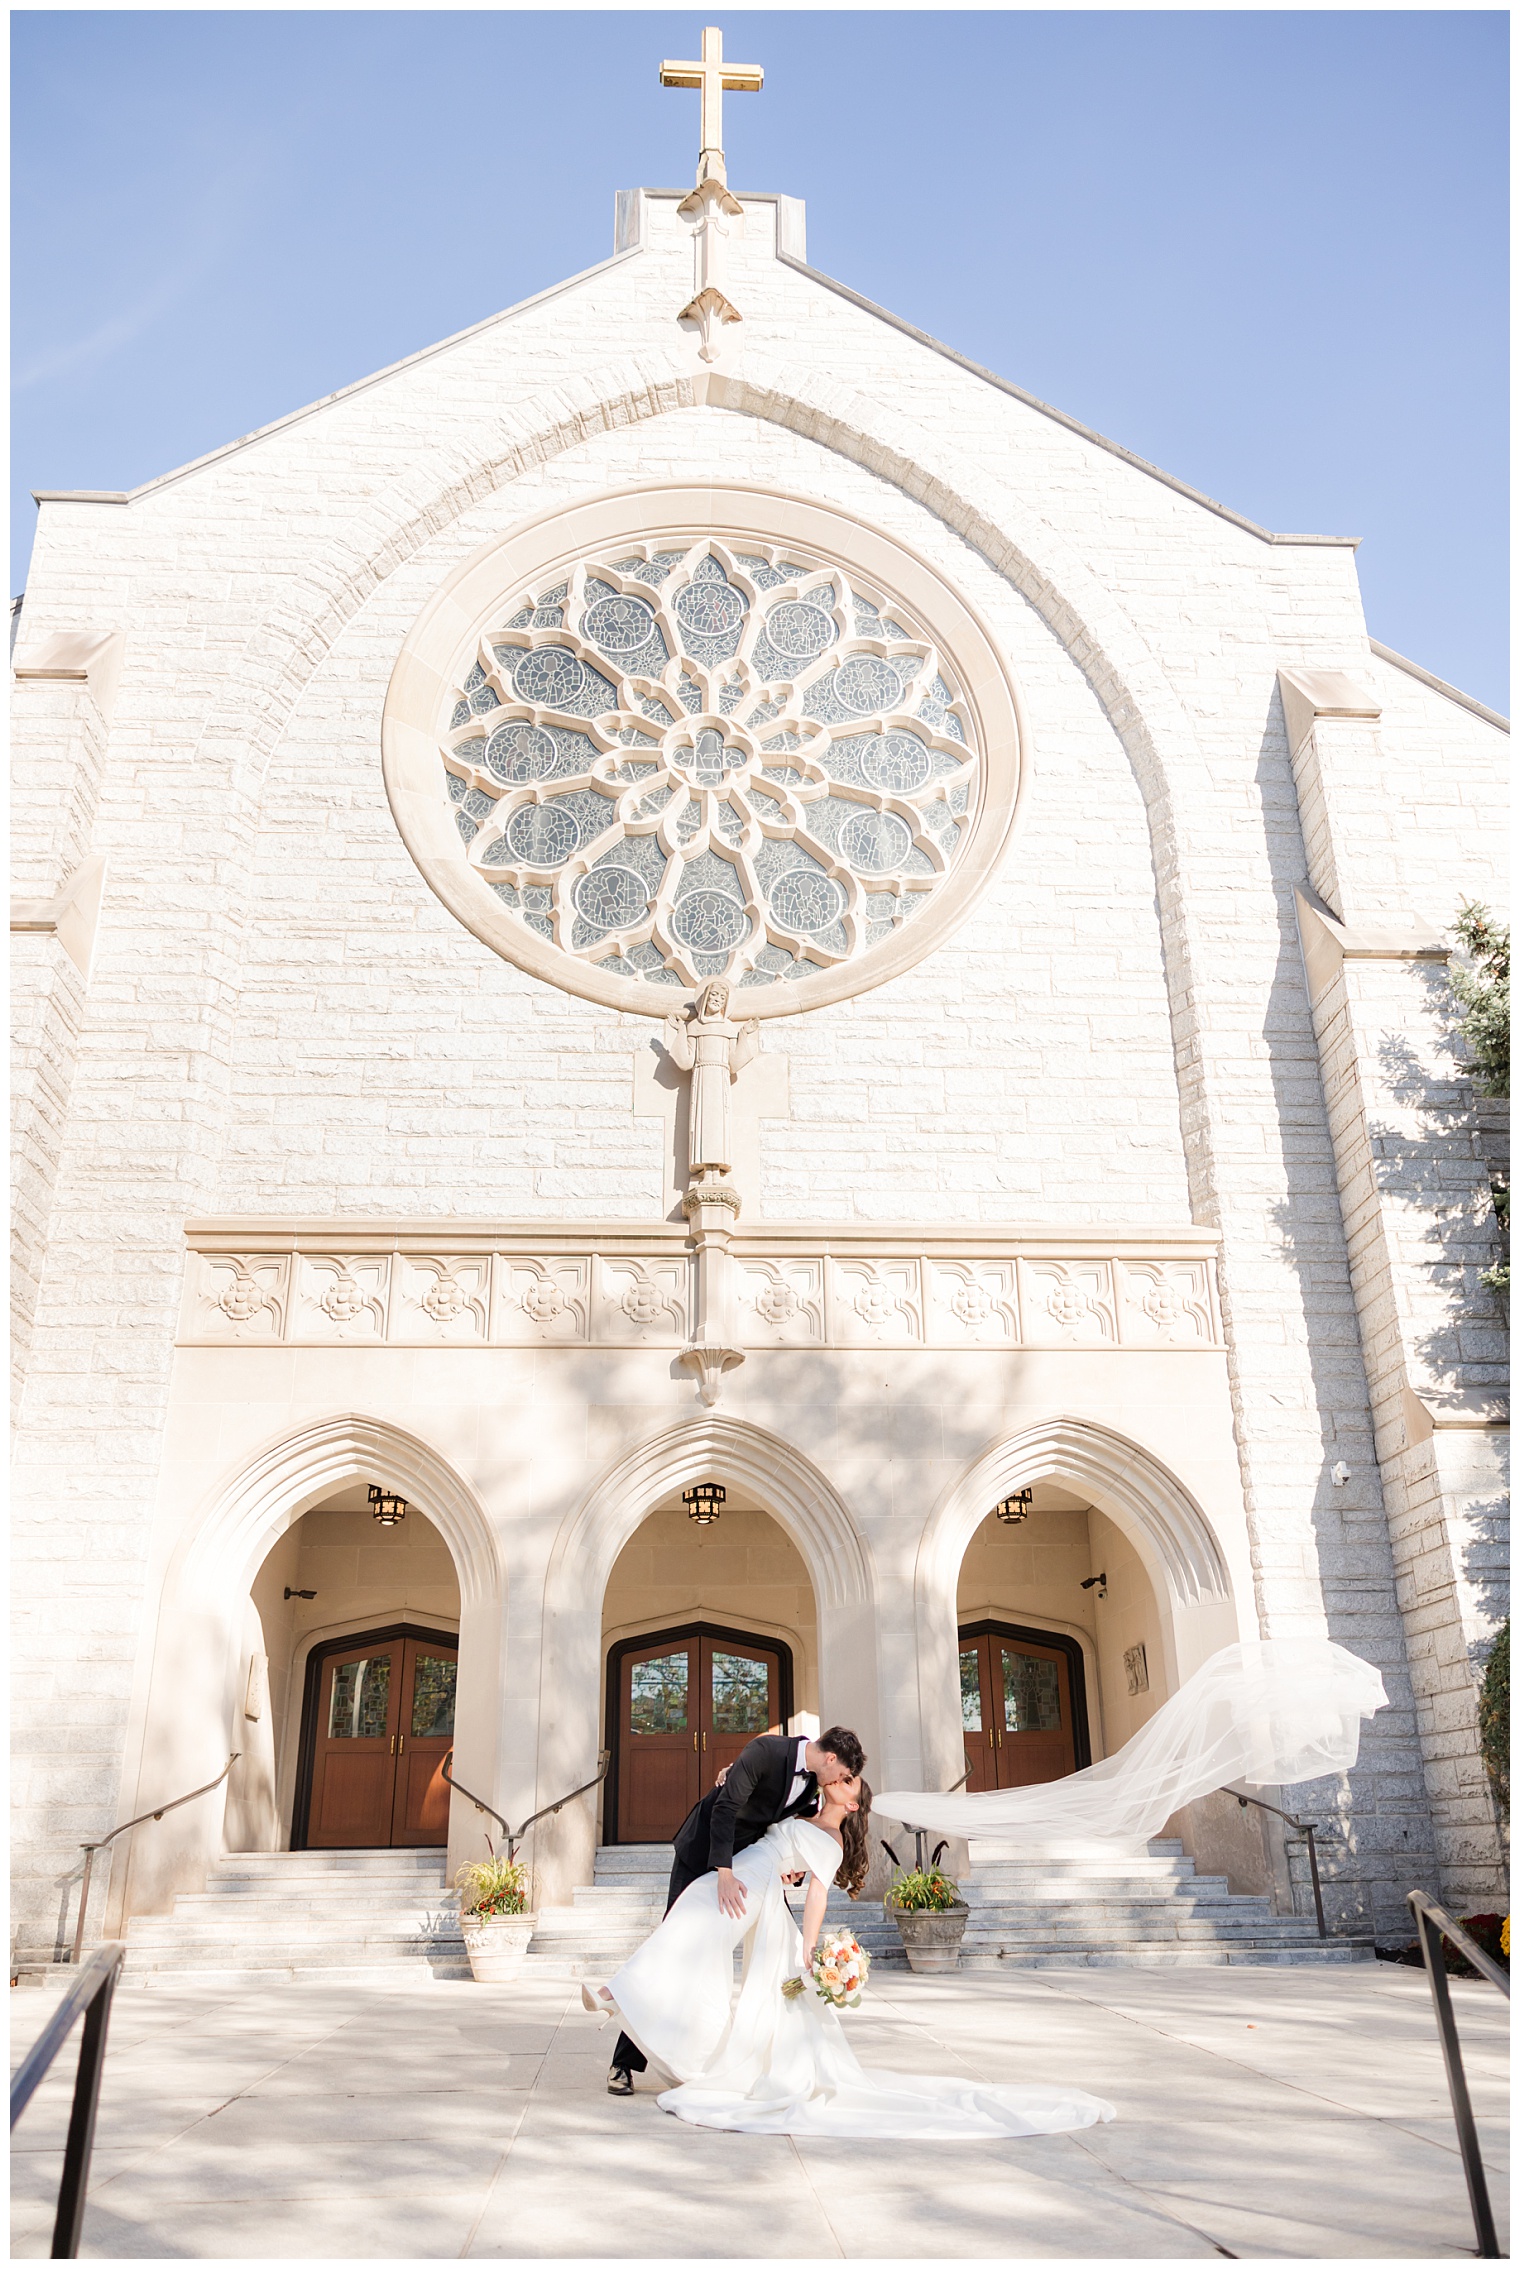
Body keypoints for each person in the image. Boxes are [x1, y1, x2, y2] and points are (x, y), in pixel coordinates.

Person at [586, 1775, 1116, 2140]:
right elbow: (780, 1850)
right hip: (749, 1879)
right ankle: (633, 2002)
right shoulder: (803, 1814)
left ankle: (618, 1993)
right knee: (686, 1932)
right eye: (837, 1779)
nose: (835, 1784)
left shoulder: (833, 1840)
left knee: (687, 1929)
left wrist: (808, 1943)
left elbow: (817, 1892)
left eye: (846, 1785)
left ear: (854, 1803)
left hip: (744, 1888)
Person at [605, 1724, 865, 2096]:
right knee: (677, 1943)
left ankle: (754, 2054)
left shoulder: (810, 1786)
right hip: (703, 1854)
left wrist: (789, 1871)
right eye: (841, 1774)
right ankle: (624, 2062)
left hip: (748, 1867)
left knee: (752, 1955)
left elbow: (785, 1831)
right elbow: (725, 1808)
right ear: (829, 1758)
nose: (839, 1781)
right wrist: (723, 1871)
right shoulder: (767, 1751)